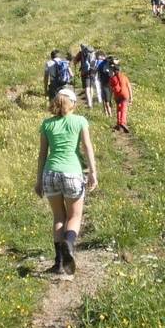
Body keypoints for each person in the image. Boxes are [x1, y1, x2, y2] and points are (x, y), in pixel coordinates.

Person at [35, 87, 98, 275]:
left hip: (50, 173)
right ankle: (69, 244)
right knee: (75, 216)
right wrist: (93, 172)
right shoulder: (80, 121)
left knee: (58, 217)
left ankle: (58, 263)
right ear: (72, 104)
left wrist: (39, 181)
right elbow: (87, 147)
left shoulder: (47, 124)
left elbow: (42, 155)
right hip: (72, 173)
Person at [109, 63, 133, 133]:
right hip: (125, 94)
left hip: (117, 95)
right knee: (124, 109)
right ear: (120, 70)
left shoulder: (112, 78)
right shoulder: (124, 77)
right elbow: (129, 87)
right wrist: (131, 97)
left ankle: (119, 123)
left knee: (119, 109)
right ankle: (123, 122)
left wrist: (110, 99)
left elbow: (111, 89)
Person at [73, 43, 98, 109]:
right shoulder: (93, 52)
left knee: (87, 88)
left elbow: (75, 61)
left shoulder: (81, 53)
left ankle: (89, 104)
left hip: (85, 72)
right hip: (93, 71)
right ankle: (91, 101)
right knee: (91, 87)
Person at [96, 51, 114, 117]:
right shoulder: (109, 65)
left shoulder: (101, 64)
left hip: (104, 83)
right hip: (108, 84)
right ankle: (109, 114)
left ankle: (107, 113)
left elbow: (98, 74)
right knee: (107, 99)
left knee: (106, 98)